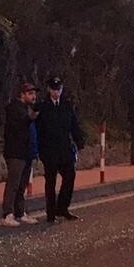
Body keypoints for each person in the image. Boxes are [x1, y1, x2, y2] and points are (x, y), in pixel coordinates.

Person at [35, 75, 84, 223]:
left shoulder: (66, 106)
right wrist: (39, 150)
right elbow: (38, 130)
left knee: (70, 176)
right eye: (54, 89)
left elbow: (73, 125)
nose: (57, 92)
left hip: (64, 149)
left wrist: (79, 140)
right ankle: (51, 213)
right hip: (49, 150)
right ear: (49, 89)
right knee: (50, 182)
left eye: (59, 89)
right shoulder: (42, 107)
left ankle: (62, 207)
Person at [1, 80, 39, 226]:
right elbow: (19, 126)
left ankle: (20, 212)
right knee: (13, 183)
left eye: (34, 93)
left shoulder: (28, 109)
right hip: (16, 152)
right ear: (22, 95)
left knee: (22, 184)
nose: (33, 96)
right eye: (30, 93)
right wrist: (30, 117)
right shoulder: (14, 109)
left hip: (27, 152)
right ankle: (7, 214)